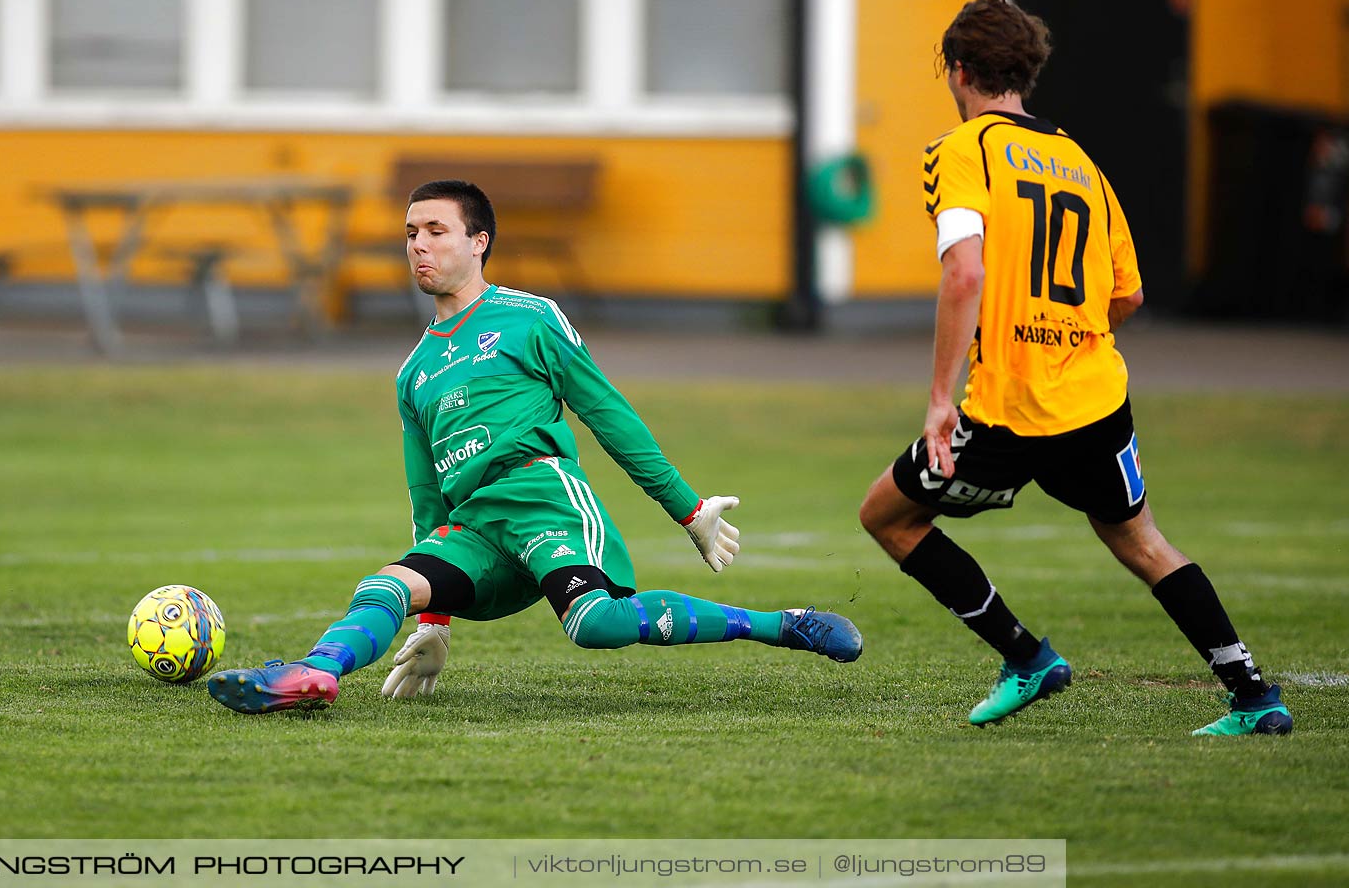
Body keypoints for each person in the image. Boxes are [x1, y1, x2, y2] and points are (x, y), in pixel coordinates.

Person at [208, 179, 861, 713]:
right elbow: (426, 494)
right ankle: (309, 676)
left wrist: (687, 509)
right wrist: (434, 625)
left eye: (436, 231)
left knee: (596, 626)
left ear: (479, 241)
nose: (419, 247)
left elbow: (607, 412)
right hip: (475, 527)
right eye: (410, 234)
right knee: (386, 584)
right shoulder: (413, 373)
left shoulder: (530, 318)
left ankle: (782, 624)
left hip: (543, 497)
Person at [857, 0, 1291, 735]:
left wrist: (940, 398)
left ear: (960, 72)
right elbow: (1128, 293)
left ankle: (1026, 658)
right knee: (1142, 541)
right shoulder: (1079, 160)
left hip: (1007, 407)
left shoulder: (961, 151)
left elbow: (965, 272)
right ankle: (1254, 695)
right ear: (1024, 72)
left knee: (889, 517)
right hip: (1093, 397)